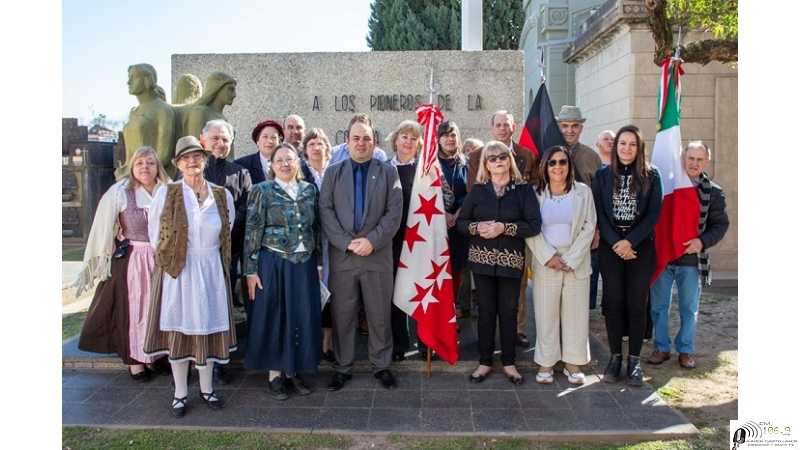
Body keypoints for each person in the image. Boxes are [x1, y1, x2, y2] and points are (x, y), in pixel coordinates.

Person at [143, 135, 237, 417]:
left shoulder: (221, 194)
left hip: (211, 268)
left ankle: (207, 389)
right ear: (177, 164)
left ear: (205, 160)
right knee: (179, 332)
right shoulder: (167, 193)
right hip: (179, 271)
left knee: (208, 329)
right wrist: (173, 261)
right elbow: (154, 234)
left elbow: (227, 228)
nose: (192, 161)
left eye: (197, 156)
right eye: (186, 158)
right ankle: (180, 393)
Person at [319, 117, 403, 391]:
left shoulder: (388, 172)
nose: (361, 143)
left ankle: (382, 366)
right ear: (347, 142)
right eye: (356, 138)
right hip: (343, 257)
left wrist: (372, 241)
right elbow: (325, 211)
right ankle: (343, 367)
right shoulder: (333, 172)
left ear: (374, 142)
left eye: (366, 138)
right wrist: (346, 243)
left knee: (379, 315)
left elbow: (394, 213)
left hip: (376, 256)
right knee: (343, 315)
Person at [75, 146, 170, 381]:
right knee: (135, 311)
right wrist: (104, 256)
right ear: (132, 167)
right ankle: (135, 361)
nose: (145, 167)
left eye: (150, 163)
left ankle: (156, 355)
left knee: (160, 310)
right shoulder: (119, 192)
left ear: (158, 167)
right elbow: (103, 227)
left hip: (163, 260)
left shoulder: (168, 190)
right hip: (133, 260)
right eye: (140, 163)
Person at [457, 141, 542, 385]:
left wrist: (504, 228)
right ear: (486, 164)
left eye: (502, 156)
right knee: (485, 312)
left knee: (508, 312)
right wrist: (477, 227)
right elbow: (462, 223)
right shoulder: (478, 191)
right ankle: (484, 362)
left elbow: (534, 225)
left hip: (510, 261)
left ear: (509, 159)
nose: (498, 161)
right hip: (481, 261)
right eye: (492, 158)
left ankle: (509, 362)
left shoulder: (523, 190)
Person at [243, 143, 322, 400]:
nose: (285, 164)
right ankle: (275, 374)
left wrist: (319, 264)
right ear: (272, 165)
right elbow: (252, 231)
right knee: (276, 315)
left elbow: (316, 229)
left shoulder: (309, 190)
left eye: (290, 159)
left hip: (304, 263)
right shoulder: (262, 190)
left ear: (298, 162)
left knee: (301, 315)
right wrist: (251, 271)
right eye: (280, 160)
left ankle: (294, 370)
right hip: (273, 262)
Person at [648, 141, 729, 369]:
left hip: (692, 261)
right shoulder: (667, 187)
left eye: (699, 159)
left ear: (707, 161)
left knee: (689, 309)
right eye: (691, 158)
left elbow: (720, 225)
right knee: (658, 307)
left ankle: (685, 350)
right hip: (663, 257)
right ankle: (661, 347)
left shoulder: (713, 192)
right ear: (683, 158)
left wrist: (702, 242)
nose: (694, 163)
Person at [592, 125, 662, 387]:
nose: (627, 148)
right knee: (613, 302)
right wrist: (617, 242)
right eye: (622, 143)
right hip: (611, 248)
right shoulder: (602, 175)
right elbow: (599, 212)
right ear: (616, 146)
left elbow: (653, 214)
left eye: (633, 144)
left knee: (636, 304)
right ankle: (614, 358)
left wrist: (630, 241)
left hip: (640, 248)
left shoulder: (651, 175)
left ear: (639, 148)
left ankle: (633, 360)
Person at [468, 110, 540, 348]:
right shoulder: (477, 156)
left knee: (517, 289)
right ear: (492, 128)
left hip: (515, 238)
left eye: (506, 124)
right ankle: (486, 343)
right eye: (498, 124)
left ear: (513, 127)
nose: (502, 128)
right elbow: (472, 192)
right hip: (484, 243)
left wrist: (507, 225)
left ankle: (517, 330)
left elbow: (535, 189)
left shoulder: (527, 155)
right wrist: (481, 225)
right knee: (487, 300)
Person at [526, 146, 596, 385]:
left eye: (562, 162)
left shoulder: (583, 192)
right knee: (546, 315)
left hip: (576, 261)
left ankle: (573, 364)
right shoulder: (535, 194)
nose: (558, 166)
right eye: (552, 162)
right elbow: (530, 228)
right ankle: (546, 362)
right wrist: (549, 256)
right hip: (546, 261)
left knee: (575, 315)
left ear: (569, 165)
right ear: (545, 166)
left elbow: (589, 226)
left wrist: (571, 259)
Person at [386, 120, 423, 361]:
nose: (408, 142)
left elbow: (446, 198)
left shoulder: (426, 169)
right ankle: (399, 343)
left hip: (420, 240)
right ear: (396, 139)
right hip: (391, 241)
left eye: (413, 138)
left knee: (420, 291)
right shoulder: (383, 169)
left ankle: (425, 342)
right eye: (404, 136)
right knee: (395, 293)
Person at [301, 128, 336, 362]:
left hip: (334, 242)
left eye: (320, 143)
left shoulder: (335, 171)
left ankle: (328, 343)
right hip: (309, 243)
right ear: (305, 149)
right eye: (311, 144)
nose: (316, 147)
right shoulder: (300, 173)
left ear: (327, 147)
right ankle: (311, 342)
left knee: (332, 292)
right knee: (311, 292)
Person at [118, 64, 176, 179]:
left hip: (153, 178)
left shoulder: (163, 110)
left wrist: (142, 170)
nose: (128, 82)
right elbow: (129, 155)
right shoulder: (133, 112)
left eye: (133, 77)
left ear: (147, 79)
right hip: (131, 175)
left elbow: (164, 155)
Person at [437, 121, 470, 318]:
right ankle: (440, 315)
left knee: (457, 271)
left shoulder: (467, 163)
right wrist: (443, 213)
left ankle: (452, 313)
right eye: (445, 135)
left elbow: (472, 192)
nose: (449, 139)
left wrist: (457, 214)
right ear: (438, 139)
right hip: (436, 226)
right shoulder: (431, 164)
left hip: (459, 226)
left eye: (453, 135)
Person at [590, 130, 615, 310]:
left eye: (613, 139)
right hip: (595, 228)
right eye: (606, 139)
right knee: (592, 270)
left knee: (610, 275)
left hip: (614, 229)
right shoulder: (593, 165)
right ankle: (588, 309)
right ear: (598, 144)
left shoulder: (622, 167)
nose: (610, 141)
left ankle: (609, 309)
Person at [235, 120, 284, 185]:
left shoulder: (288, 164)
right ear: (257, 142)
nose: (270, 141)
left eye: (274, 137)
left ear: (279, 142)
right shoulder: (241, 165)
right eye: (265, 137)